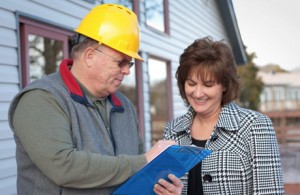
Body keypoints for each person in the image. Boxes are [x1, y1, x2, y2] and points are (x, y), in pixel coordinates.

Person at [8, 4, 182, 195]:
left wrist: (159, 186)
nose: (127, 70)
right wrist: (143, 161)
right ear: (90, 55)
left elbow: (136, 174)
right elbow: (63, 166)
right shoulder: (41, 99)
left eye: (129, 63)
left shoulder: (125, 107)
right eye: (120, 62)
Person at [163, 36, 284, 194]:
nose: (198, 93)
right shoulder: (172, 130)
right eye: (191, 83)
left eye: (208, 84)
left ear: (225, 85)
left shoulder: (256, 126)